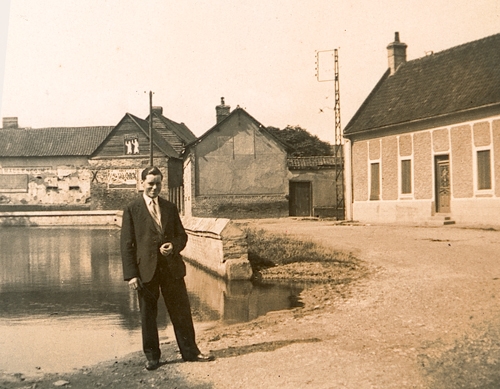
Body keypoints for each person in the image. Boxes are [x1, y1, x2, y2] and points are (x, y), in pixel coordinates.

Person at [121, 166, 214, 370]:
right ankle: (152, 357)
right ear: (142, 183)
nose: (155, 188)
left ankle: (190, 352)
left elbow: (182, 236)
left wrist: (173, 245)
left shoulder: (170, 207)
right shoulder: (132, 209)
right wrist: (131, 276)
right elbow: (127, 245)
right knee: (148, 315)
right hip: (146, 271)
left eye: (158, 184)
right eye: (150, 183)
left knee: (181, 312)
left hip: (171, 269)